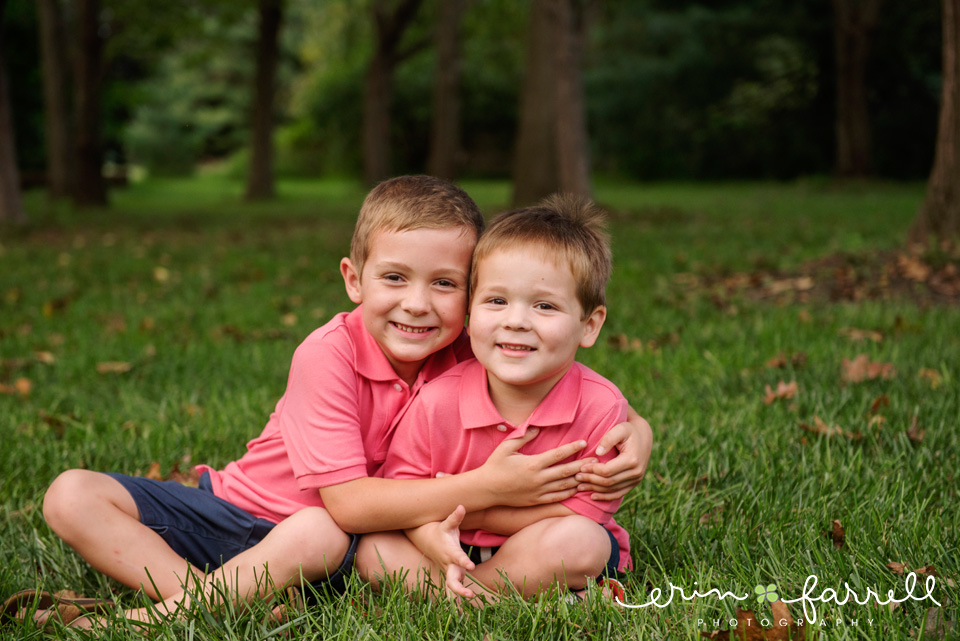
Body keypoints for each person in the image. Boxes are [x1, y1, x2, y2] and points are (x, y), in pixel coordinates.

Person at [23, 176, 651, 628]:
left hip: (338, 543)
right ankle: (200, 602)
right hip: (244, 511)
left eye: (445, 285)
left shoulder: (474, 352)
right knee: (71, 493)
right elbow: (349, 501)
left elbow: (571, 393)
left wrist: (638, 430)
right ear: (354, 278)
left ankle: (201, 607)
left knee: (322, 533)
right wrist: (488, 486)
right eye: (394, 278)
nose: (417, 304)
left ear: (472, 293)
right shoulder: (328, 353)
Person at [358, 195, 638, 604]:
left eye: (544, 306)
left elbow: (585, 512)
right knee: (373, 547)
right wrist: (428, 532)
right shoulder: (438, 399)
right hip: (447, 546)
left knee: (581, 541)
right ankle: (495, 597)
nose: (516, 320)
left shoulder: (599, 406)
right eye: (496, 300)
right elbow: (403, 493)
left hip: (544, 547)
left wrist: (473, 510)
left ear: (589, 326)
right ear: (469, 314)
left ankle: (470, 595)